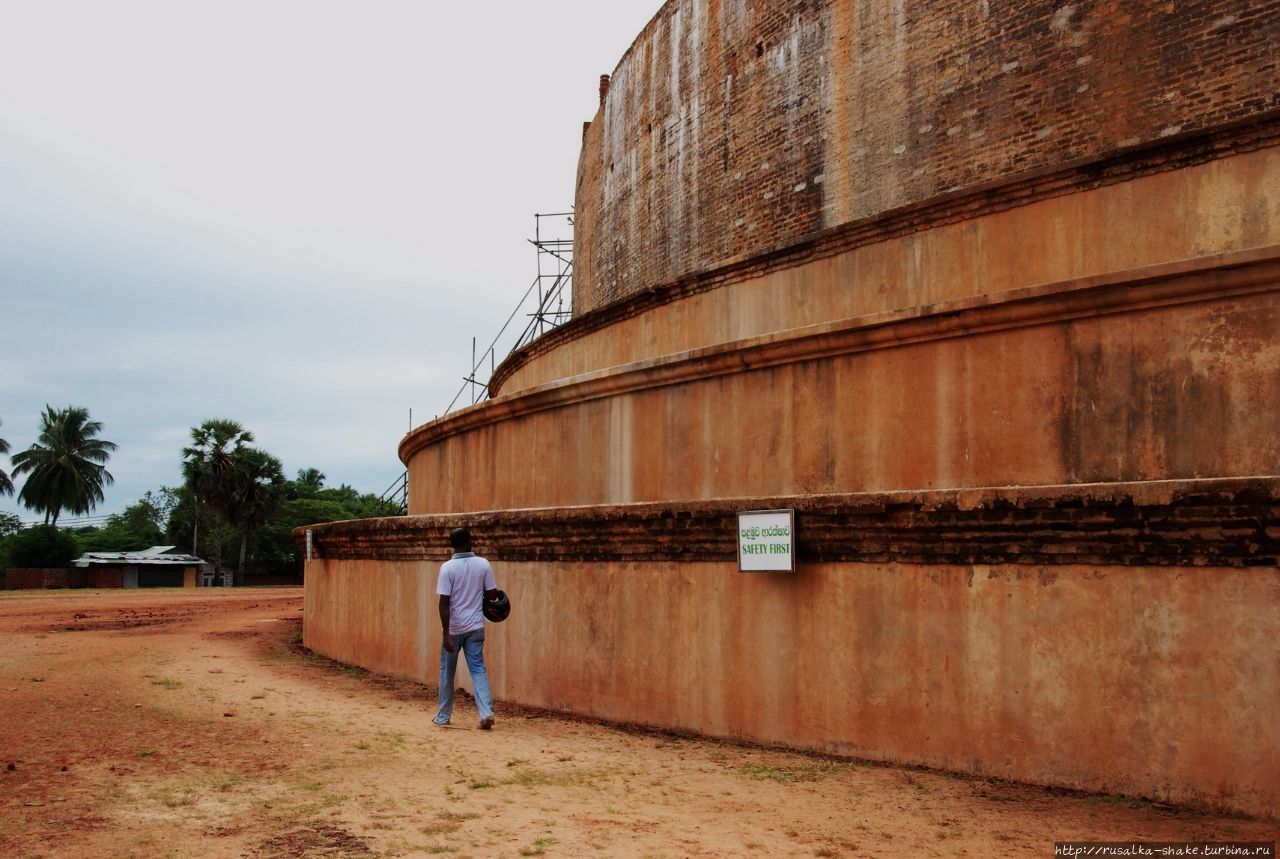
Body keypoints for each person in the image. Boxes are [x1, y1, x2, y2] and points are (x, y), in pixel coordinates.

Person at [433, 526, 499, 730]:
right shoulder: (483, 564)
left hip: (454, 628)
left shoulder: (447, 568)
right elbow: (493, 595)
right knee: (478, 669)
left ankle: (443, 717)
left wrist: (446, 634)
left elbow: (444, 602)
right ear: (469, 541)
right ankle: (486, 713)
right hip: (476, 626)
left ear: (452, 545)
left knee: (447, 672)